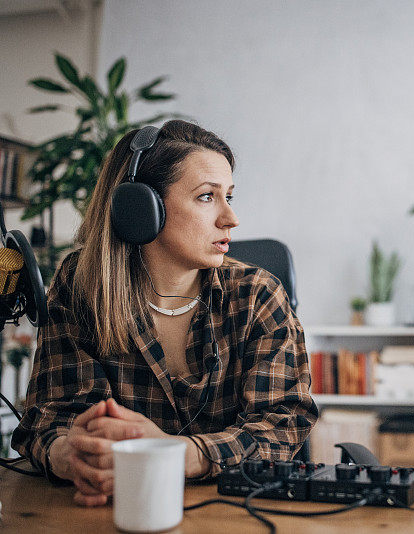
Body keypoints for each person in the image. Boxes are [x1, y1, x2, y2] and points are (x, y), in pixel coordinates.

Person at [12, 120, 318, 506]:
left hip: (237, 516)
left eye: (230, 196)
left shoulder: (257, 295)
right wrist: (69, 454)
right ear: (141, 208)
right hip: (113, 511)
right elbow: (49, 418)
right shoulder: (82, 288)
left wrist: (177, 454)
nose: (231, 218)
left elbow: (283, 425)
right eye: (207, 197)